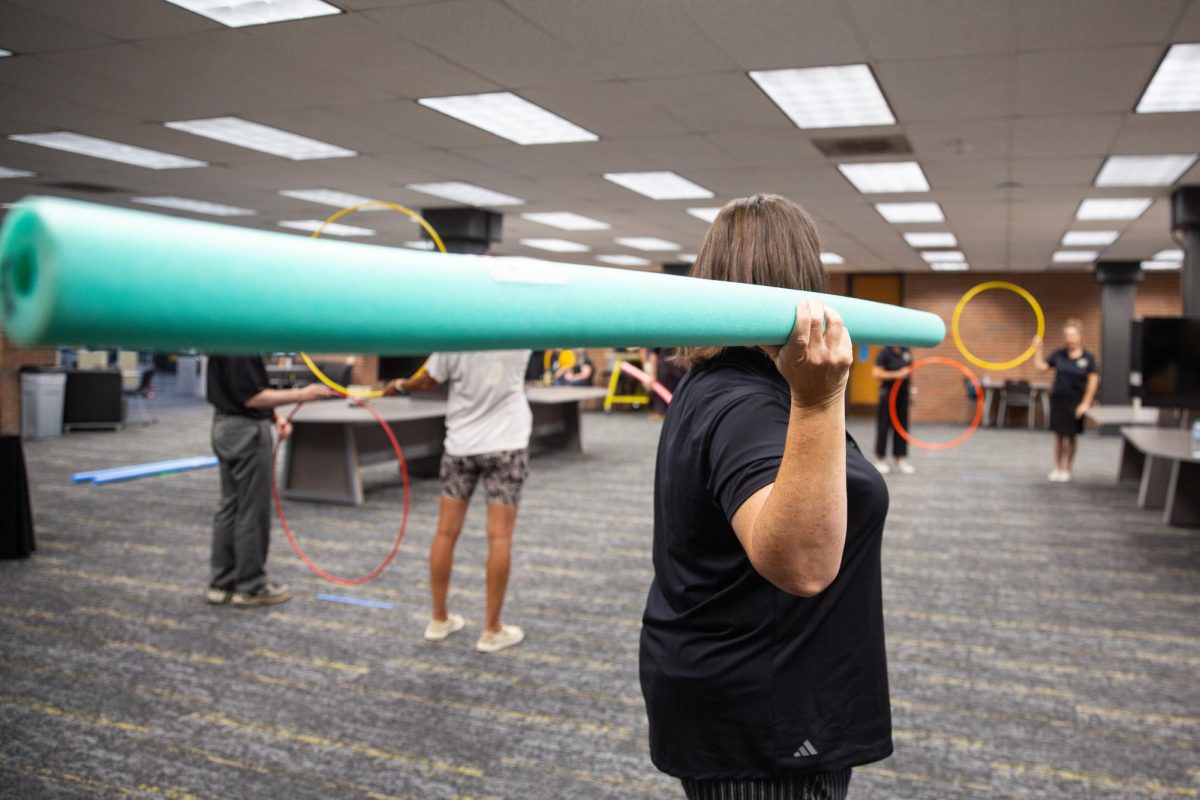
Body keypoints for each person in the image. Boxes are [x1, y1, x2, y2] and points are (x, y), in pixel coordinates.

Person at [640, 194, 892, 800]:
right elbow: (803, 565)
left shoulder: (719, 384)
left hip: (744, 682)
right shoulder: (749, 404)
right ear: (804, 278)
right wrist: (819, 398)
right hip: (763, 716)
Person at [384, 350, 532, 653]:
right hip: (507, 444)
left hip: (461, 445)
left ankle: (439, 619)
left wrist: (400, 384)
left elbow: (427, 380)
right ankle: (491, 630)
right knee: (500, 536)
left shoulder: (456, 330)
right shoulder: (521, 326)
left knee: (445, 532)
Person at [205, 355, 337, 607]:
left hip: (225, 426)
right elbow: (251, 397)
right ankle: (251, 587)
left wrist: (274, 417)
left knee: (230, 507)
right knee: (251, 510)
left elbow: (247, 391)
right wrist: (301, 394)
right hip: (245, 432)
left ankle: (221, 583)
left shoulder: (222, 335)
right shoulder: (241, 344)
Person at [1033, 320, 1099, 482]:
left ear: (1079, 336)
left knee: (1071, 436)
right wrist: (1038, 349)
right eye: (1067, 335)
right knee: (1058, 436)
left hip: (1076, 401)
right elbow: (1041, 367)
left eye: (1072, 335)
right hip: (1059, 400)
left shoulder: (1088, 358)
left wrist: (1085, 403)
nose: (1069, 338)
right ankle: (1058, 468)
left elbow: (1093, 381)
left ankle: (1068, 468)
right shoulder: (1059, 354)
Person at [871, 345, 915, 475]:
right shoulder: (885, 352)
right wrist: (897, 374)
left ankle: (900, 459)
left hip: (903, 395)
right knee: (884, 427)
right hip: (888, 394)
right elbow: (876, 373)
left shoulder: (907, 351)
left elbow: (910, 372)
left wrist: (912, 390)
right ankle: (880, 459)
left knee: (902, 427)